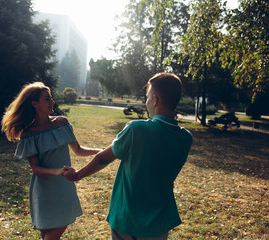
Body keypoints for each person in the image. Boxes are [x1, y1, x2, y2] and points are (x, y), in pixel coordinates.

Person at [64, 73, 193, 240]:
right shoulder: (186, 138)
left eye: (147, 97)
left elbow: (104, 157)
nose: (146, 102)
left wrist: (77, 175)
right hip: (159, 221)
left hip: (127, 218)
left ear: (155, 99)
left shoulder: (136, 129)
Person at [1, 82, 101, 240]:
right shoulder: (28, 134)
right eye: (47, 99)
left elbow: (79, 150)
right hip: (43, 190)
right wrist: (57, 171)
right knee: (47, 236)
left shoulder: (62, 123)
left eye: (51, 98)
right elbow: (36, 168)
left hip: (64, 187)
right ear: (34, 104)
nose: (52, 102)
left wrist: (102, 151)